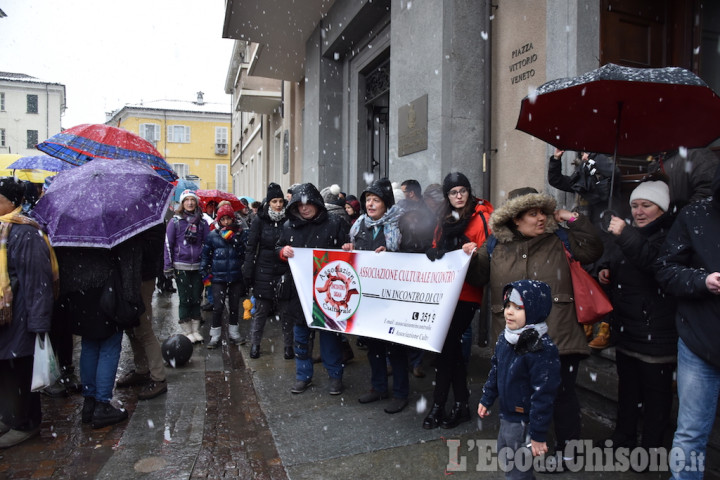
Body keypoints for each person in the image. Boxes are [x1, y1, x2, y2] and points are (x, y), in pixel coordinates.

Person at [467, 187, 603, 460]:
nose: (541, 218)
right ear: (516, 218)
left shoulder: (559, 237)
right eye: (533, 213)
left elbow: (593, 250)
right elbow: (477, 276)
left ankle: (568, 452)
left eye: (543, 211)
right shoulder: (494, 244)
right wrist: (468, 257)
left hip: (559, 333)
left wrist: (571, 218)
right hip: (514, 339)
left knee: (562, 395)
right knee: (521, 398)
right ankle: (530, 447)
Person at [597, 180, 677, 451]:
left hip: (655, 334)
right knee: (628, 393)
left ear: (662, 209)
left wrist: (626, 233)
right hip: (628, 331)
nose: (639, 211)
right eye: (634, 205)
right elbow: (619, 258)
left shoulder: (670, 234)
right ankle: (623, 439)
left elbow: (654, 263)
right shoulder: (628, 233)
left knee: (656, 399)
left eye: (646, 205)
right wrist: (606, 268)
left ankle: (652, 450)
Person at [655, 164, 720, 480]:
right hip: (700, 339)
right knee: (691, 432)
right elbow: (666, 270)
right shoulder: (695, 216)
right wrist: (703, 281)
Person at [423, 172, 493, 429]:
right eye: (454, 192)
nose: (459, 196)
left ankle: (440, 404)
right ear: (448, 196)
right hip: (445, 291)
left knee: (447, 345)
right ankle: (459, 404)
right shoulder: (443, 219)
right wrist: (434, 251)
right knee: (448, 348)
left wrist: (473, 253)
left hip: (467, 292)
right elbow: (435, 244)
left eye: (463, 190)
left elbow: (489, 250)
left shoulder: (482, 215)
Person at [56, 233, 144, 429]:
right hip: (106, 292)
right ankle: (102, 404)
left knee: (89, 345)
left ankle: (89, 403)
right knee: (109, 347)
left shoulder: (71, 224)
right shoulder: (114, 222)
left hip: (79, 292)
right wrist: (131, 301)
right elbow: (128, 263)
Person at [478, 280, 561, 479]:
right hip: (507, 415)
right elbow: (496, 371)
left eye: (518, 307)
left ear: (534, 310)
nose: (509, 312)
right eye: (507, 306)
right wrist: (487, 398)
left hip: (524, 420)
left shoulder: (540, 348)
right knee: (506, 456)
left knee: (517, 469)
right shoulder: (505, 338)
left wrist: (538, 434)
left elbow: (544, 395)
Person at [342, 178, 409, 414]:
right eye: (368, 200)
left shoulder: (400, 224)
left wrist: (391, 253)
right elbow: (356, 252)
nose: (370, 204)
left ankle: (401, 393)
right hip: (368, 295)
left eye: (376, 200)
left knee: (396, 347)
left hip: (393, 295)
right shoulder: (358, 226)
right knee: (374, 346)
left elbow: (411, 255)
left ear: (386, 203)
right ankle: (378, 387)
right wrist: (350, 250)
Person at [276, 183, 350, 395]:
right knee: (300, 338)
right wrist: (282, 251)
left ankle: (335, 377)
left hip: (328, 292)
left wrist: (347, 248)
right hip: (299, 291)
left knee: (329, 338)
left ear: (317, 202)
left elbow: (347, 251)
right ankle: (303, 376)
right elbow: (276, 250)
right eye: (299, 205)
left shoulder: (334, 223)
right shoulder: (289, 226)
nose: (304, 208)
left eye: (307, 204)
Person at [0, 177, 57, 448]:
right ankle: (9, 416)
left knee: (19, 370)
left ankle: (25, 423)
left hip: (20, 317)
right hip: (6, 317)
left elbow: (38, 281)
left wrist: (38, 322)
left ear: (12, 202)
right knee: (6, 370)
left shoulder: (25, 231)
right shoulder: (4, 229)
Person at [115, 223, 169, 400]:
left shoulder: (151, 218)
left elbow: (152, 251)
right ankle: (141, 369)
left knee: (143, 327)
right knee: (130, 327)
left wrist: (130, 236)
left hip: (142, 277)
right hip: (125, 276)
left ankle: (158, 377)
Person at [243, 182, 293, 360]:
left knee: (285, 311)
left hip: (284, 269)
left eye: (280, 201)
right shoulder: (260, 220)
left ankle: (288, 346)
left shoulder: (289, 219)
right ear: (268, 203)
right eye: (274, 201)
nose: (278, 204)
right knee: (261, 311)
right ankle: (255, 345)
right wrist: (248, 272)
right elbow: (251, 247)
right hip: (263, 270)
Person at [164, 189, 209, 344]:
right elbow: (168, 245)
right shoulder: (175, 222)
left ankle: (196, 330)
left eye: (192, 200)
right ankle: (187, 330)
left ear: (196, 202)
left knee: (196, 298)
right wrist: (167, 266)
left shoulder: (202, 222)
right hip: (181, 265)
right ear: (182, 203)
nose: (190, 203)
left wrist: (207, 261)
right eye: (186, 200)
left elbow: (207, 243)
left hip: (198, 266)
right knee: (185, 299)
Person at [201, 203, 248, 349]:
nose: (226, 222)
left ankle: (234, 333)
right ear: (219, 220)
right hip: (218, 277)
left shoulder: (240, 233)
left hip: (235, 276)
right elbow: (205, 255)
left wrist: (235, 241)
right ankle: (215, 335)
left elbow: (244, 253)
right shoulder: (213, 235)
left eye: (228, 219)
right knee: (218, 307)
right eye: (223, 219)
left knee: (234, 306)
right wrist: (204, 272)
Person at [649, 147, 719, 213]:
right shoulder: (660, 161)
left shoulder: (698, 155)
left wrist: (683, 213)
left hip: (696, 219)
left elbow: (708, 191)